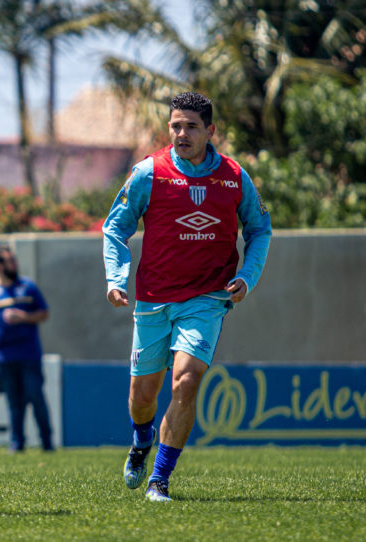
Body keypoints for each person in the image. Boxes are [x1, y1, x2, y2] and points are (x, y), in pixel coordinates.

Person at [102, 92, 272, 502]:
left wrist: (247, 277)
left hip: (208, 297)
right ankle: (141, 441)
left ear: (210, 131)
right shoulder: (148, 173)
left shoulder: (234, 176)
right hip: (154, 298)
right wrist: (115, 278)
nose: (182, 134)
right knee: (142, 398)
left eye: (191, 126)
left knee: (187, 379)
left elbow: (259, 229)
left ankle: (159, 480)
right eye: (176, 126)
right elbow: (115, 228)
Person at [0, 245, 54, 453]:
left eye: (15, 260)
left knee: (35, 396)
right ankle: (17, 443)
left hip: (29, 354)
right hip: (3, 356)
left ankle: (47, 442)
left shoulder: (28, 287)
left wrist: (24, 317)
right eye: (10, 261)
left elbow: (44, 313)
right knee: (14, 401)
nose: (15, 264)